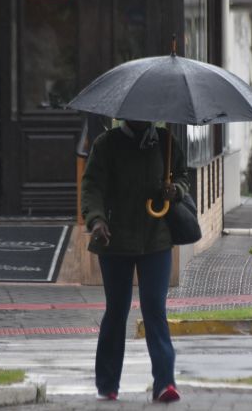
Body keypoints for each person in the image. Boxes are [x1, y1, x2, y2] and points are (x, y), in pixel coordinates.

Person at [81, 119, 189, 403]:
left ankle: (165, 383)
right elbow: (92, 186)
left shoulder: (166, 142)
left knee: (155, 308)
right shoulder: (107, 144)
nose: (141, 117)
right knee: (117, 310)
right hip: (114, 240)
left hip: (157, 240)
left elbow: (183, 176)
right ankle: (107, 383)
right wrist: (96, 220)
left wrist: (175, 190)